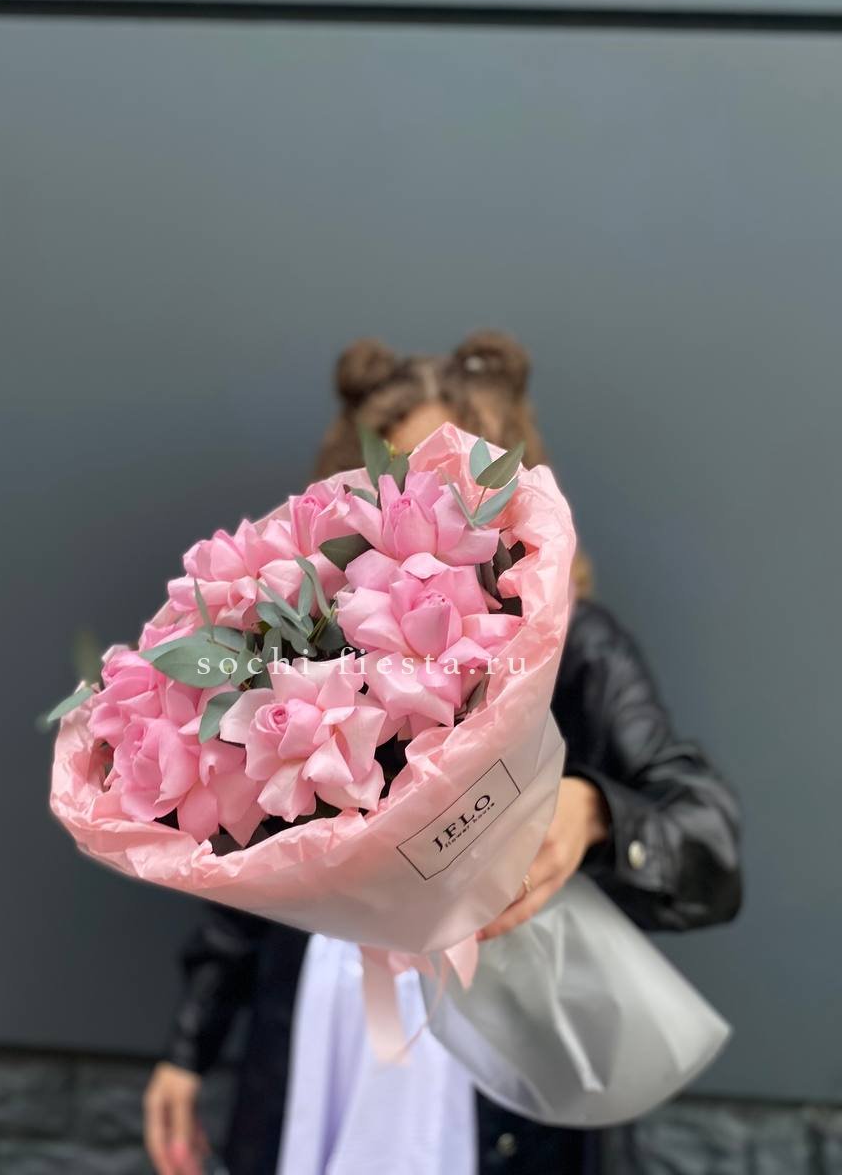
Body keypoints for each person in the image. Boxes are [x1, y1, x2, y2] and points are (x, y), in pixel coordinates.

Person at [143, 331, 743, 1175]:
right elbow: (254, 855)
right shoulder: (311, 645)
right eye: (399, 481)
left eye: (455, 481)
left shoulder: (573, 648)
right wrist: (190, 1045)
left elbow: (707, 836)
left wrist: (596, 812)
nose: (424, 512)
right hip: (325, 1028)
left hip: (494, 1039)